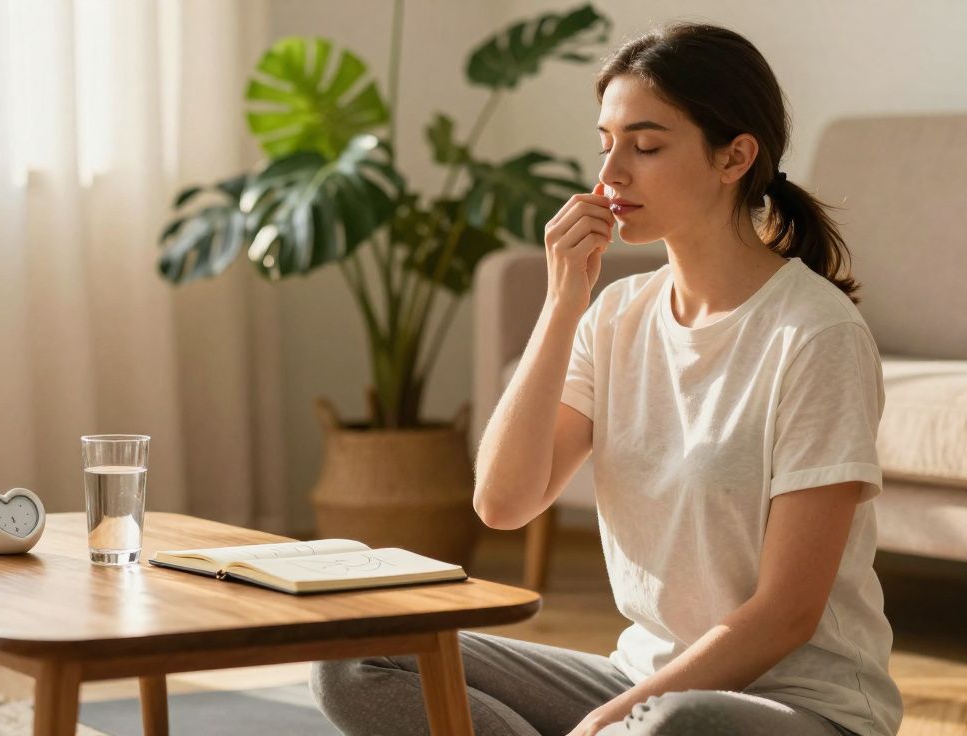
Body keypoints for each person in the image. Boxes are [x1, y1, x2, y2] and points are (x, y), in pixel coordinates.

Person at [310, 21, 904, 736]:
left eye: (646, 146)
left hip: (796, 707)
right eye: (606, 144)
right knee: (360, 657)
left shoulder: (815, 334)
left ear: (735, 156)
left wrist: (614, 721)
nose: (611, 174)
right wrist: (565, 302)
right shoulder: (617, 314)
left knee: (671, 727)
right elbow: (502, 502)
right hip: (639, 678)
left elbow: (786, 615)